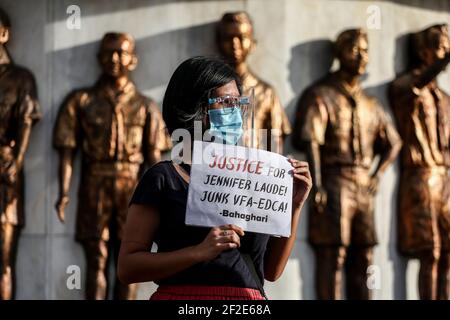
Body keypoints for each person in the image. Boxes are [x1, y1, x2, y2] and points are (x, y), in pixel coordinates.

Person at [118, 56, 312, 300]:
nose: (235, 114)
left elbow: (272, 272)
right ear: (196, 107)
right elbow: (128, 267)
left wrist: (294, 204)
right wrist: (198, 252)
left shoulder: (255, 178)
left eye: (238, 104)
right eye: (226, 103)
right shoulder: (163, 178)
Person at [53, 32, 171, 300]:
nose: (114, 59)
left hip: (133, 189)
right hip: (94, 185)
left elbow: (155, 159)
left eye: (121, 53)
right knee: (96, 258)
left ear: (133, 60)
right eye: (108, 53)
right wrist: (64, 192)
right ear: (98, 59)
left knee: (129, 260)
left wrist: (166, 197)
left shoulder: (146, 106)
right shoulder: (81, 101)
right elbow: (67, 151)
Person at [293, 29, 401, 299]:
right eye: (355, 50)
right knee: (334, 253)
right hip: (334, 180)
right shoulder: (321, 94)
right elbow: (311, 142)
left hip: (363, 185)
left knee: (365, 254)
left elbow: (394, 143)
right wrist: (317, 184)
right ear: (339, 54)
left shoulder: (371, 103)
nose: (362, 56)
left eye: (365, 50)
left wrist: (378, 174)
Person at [389, 24, 450, 300]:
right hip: (421, 174)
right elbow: (415, 85)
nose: (445, 53)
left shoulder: (444, 98)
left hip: (445, 177)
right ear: (423, 52)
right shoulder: (406, 86)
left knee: (448, 250)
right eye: (441, 47)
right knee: (430, 250)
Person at [0, 7, 41, 300]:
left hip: (5, 170)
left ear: (4, 34)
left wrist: (16, 160)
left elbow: (26, 121)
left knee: (3, 261)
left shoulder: (20, 78)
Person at [217, 12, 291, 153]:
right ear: (219, 42)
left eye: (241, 37)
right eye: (228, 38)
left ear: (252, 43)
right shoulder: (208, 89)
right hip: (216, 167)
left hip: (254, 169)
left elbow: (275, 144)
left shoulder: (267, 92)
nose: (235, 44)